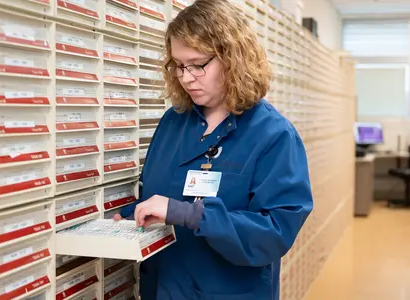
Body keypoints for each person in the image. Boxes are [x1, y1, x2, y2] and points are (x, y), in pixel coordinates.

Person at [114, 0, 313, 299]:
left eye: (197, 65)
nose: (186, 77)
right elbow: (162, 196)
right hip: (166, 288)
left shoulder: (273, 135)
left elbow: (275, 231)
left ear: (234, 59)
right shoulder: (173, 122)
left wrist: (192, 214)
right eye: (179, 65)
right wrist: (133, 215)